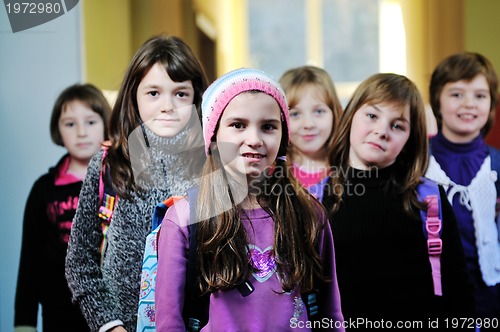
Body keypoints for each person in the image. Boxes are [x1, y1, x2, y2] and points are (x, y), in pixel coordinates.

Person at [155, 68, 345, 331]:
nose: (254, 140)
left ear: (282, 137)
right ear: (213, 137)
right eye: (238, 125)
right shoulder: (185, 219)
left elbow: (330, 314)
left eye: (268, 127)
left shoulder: (310, 215)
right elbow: (169, 323)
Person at [65, 35, 208, 332]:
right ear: (134, 96)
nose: (167, 105)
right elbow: (80, 260)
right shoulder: (108, 163)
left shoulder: (213, 166)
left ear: (197, 98)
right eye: (153, 93)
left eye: (180, 94)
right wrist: (109, 325)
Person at [326, 73, 474, 328]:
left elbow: (458, 290)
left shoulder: (430, 201)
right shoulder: (317, 200)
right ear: (350, 117)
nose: (381, 131)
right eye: (372, 116)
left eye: (397, 125)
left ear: (409, 140)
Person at [14, 83, 111, 332]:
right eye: (70, 124)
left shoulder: (118, 183)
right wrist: (24, 324)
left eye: (90, 122)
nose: (81, 132)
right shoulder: (44, 190)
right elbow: (30, 264)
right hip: (59, 316)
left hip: (112, 315)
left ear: (105, 124)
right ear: (58, 130)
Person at [426, 52, 500, 322]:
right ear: (437, 100)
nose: (469, 104)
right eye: (457, 94)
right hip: (436, 293)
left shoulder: (496, 162)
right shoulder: (418, 160)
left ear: (491, 104)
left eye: (480, 96)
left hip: (489, 292)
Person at [279, 65, 343, 202]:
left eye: (319, 111)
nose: (308, 124)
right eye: (295, 114)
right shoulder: (274, 171)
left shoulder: (345, 167)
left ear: (335, 112)